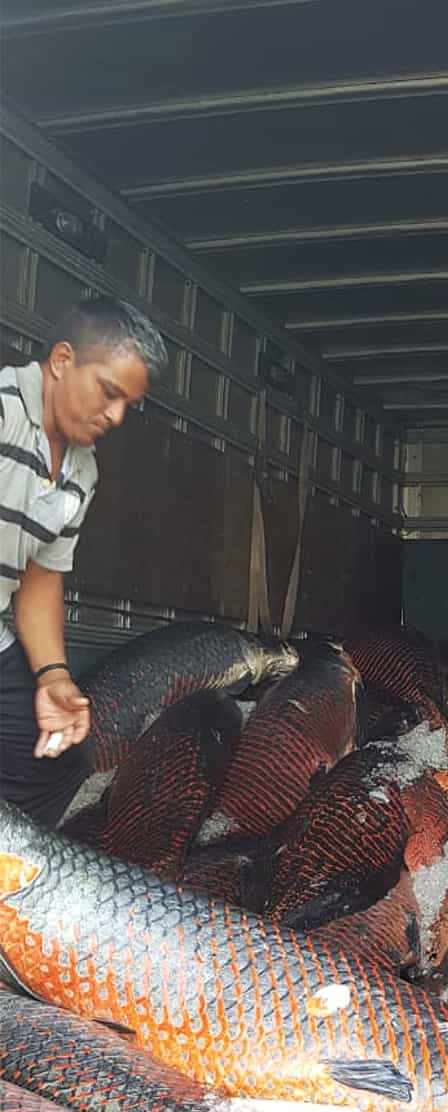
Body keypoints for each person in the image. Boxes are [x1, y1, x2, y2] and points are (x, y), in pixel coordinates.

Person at [0, 295, 167, 828]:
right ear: (63, 360)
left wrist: (53, 676)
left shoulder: (82, 471)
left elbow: (40, 576)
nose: (115, 416)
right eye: (109, 393)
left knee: (56, 755)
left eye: (127, 406)